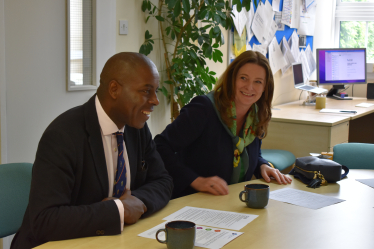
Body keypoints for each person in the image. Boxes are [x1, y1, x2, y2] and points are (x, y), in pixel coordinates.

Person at [11, 52, 173, 249]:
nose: (155, 100)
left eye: (155, 91)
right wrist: (118, 210)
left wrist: (135, 203)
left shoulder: (136, 128)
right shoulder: (62, 136)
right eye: (146, 91)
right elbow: (45, 220)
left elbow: (163, 181)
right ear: (114, 89)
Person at [154, 50, 292, 199]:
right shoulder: (204, 108)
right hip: (191, 200)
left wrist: (262, 165)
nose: (249, 87)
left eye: (258, 81)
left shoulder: (255, 114)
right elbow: (160, 146)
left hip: (232, 201)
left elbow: (250, 152)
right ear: (232, 79)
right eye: (243, 78)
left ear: (265, 87)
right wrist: (195, 180)